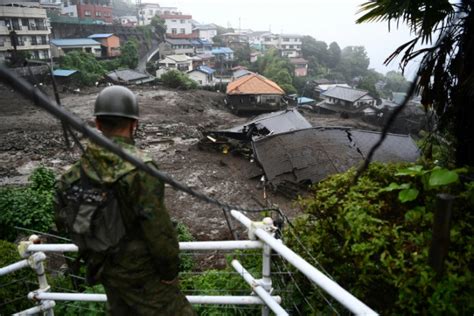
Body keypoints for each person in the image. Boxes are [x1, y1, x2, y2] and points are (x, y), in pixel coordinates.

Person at [55, 86, 195, 315]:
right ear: (134, 124)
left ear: (98, 124)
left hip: (106, 271)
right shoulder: (140, 168)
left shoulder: (76, 171)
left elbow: (65, 219)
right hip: (143, 276)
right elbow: (158, 230)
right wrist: (170, 272)